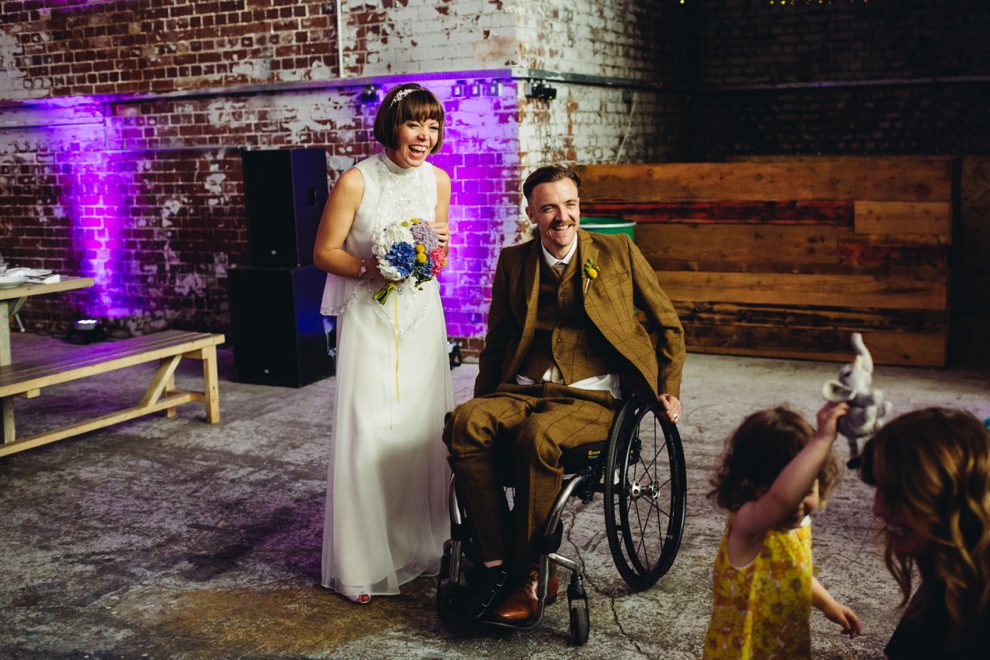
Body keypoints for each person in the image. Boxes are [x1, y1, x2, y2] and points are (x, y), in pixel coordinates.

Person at [442, 164, 686, 622]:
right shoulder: (514, 262)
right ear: (531, 212)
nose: (562, 216)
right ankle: (495, 564)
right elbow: (497, 342)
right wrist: (483, 401)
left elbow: (667, 323)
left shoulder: (618, 252)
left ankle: (534, 574)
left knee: (539, 437)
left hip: (592, 398)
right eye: (549, 206)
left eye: (570, 204)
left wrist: (666, 389)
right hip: (525, 387)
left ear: (580, 207)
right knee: (464, 423)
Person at [313, 83, 453, 604]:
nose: (425, 136)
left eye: (433, 126)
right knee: (368, 432)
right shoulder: (356, 181)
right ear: (392, 125)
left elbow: (441, 251)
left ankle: (417, 544)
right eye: (415, 124)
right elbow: (325, 253)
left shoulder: (438, 181)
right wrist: (375, 266)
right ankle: (360, 565)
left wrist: (429, 260)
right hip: (370, 321)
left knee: (420, 430)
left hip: (420, 318)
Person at [703, 403, 861, 659]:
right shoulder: (747, 525)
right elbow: (782, 500)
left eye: (808, 490)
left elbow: (795, 573)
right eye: (791, 491)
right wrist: (822, 439)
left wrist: (827, 603)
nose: (797, 506)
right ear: (748, 485)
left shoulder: (797, 524)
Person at [860, 407, 990, 659]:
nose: (878, 509)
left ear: (954, 496)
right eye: (879, 487)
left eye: (899, 492)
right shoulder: (950, 571)